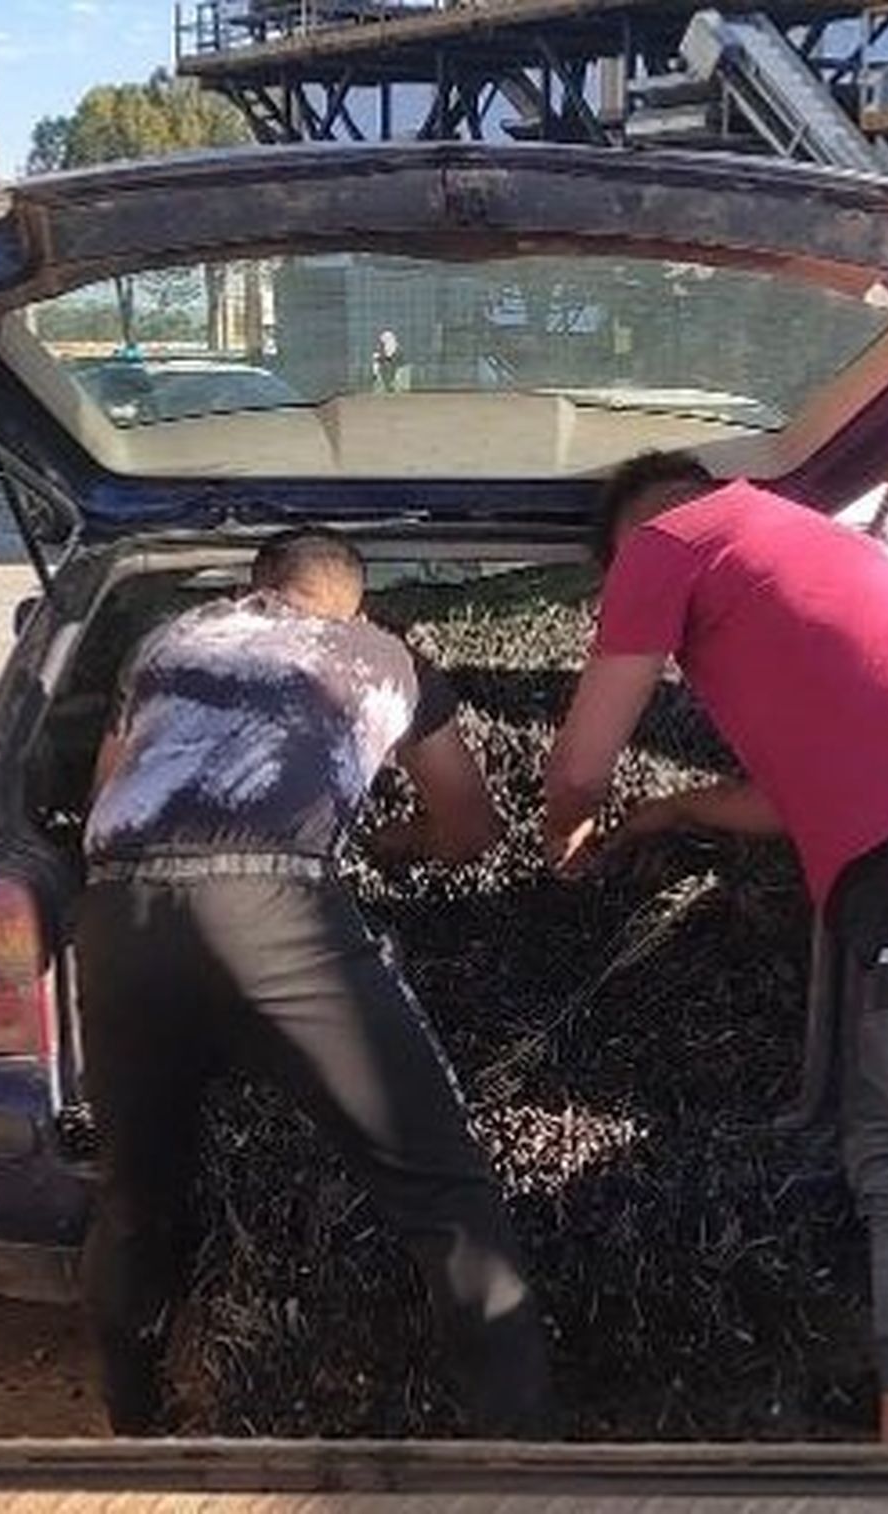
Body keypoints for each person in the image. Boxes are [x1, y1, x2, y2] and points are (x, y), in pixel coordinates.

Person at [543, 452, 888, 1447]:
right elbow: (791, 795)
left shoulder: (668, 541)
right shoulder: (816, 549)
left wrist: (565, 835)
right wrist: (673, 808)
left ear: (628, 540)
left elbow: (581, 761)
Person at [77, 527, 553, 1437]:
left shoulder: (166, 644)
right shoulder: (385, 658)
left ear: (256, 589)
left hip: (119, 914)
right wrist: (392, 845)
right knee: (444, 1189)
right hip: (274, 913)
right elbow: (471, 825)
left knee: (136, 1195)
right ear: (354, 602)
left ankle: (132, 1424)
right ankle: (524, 1451)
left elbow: (107, 797)